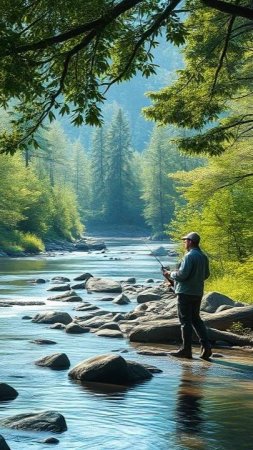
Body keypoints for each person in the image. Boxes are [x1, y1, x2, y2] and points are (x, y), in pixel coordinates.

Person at [162, 231, 212, 360]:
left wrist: (170, 274)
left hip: (185, 293)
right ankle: (206, 347)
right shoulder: (203, 256)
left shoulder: (189, 256)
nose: (184, 243)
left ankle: (186, 350)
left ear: (190, 242)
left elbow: (182, 275)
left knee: (185, 322)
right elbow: (206, 275)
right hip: (197, 292)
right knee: (196, 319)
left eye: (185, 241)